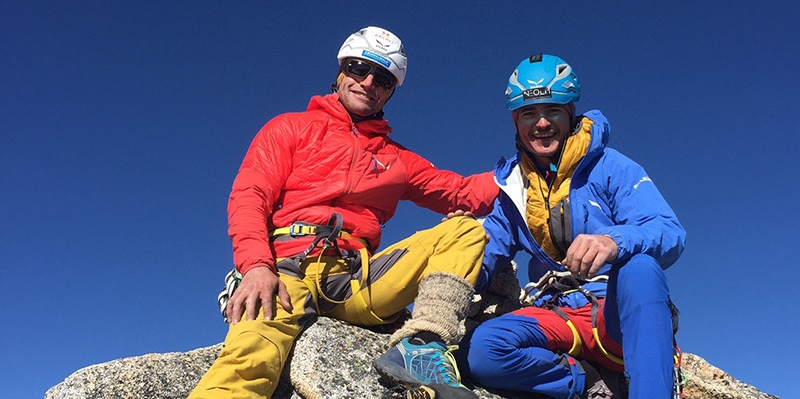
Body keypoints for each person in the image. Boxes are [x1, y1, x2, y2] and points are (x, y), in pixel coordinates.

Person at [188, 26, 499, 399]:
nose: (368, 82)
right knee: (249, 357)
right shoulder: (291, 127)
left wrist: (526, 166)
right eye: (358, 68)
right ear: (339, 72)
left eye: (382, 78)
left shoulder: (397, 159)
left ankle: (423, 345)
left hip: (356, 277)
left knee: (462, 230)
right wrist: (255, 267)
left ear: (391, 90)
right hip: (288, 270)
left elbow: (462, 192)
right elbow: (250, 196)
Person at [458, 54, 686, 399]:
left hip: (616, 318)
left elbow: (669, 231)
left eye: (553, 110)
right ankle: (588, 380)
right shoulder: (514, 190)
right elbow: (485, 258)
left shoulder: (611, 166)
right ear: (515, 121)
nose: (542, 123)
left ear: (571, 113)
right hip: (558, 314)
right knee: (483, 349)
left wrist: (613, 240)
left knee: (641, 267)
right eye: (529, 113)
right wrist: (453, 251)